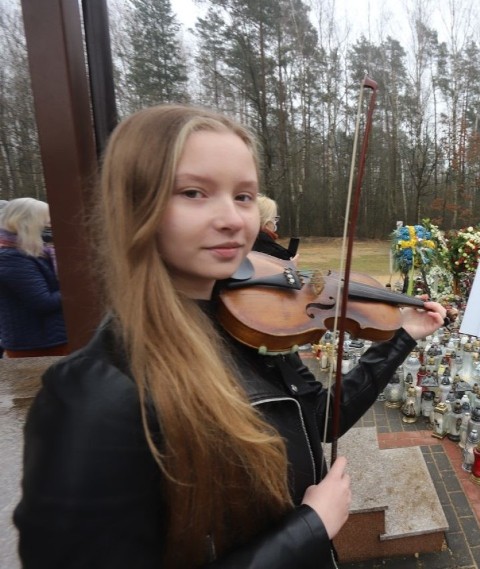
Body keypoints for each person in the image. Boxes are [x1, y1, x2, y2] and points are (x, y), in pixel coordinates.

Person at [14, 105, 446, 568]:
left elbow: (319, 421)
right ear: (136, 204)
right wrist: (308, 528)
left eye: (244, 196)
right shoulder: (95, 394)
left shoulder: (251, 321)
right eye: (194, 192)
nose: (232, 220)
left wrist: (401, 337)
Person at [0, 197, 68, 358]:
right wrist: (77, 287)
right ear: (28, 223)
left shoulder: (37, 251)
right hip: (36, 345)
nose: (50, 226)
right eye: (47, 221)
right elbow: (43, 301)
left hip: (52, 338)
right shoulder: (11, 258)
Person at [252, 195, 297, 261]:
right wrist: (291, 265)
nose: (275, 222)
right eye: (274, 218)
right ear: (266, 221)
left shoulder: (242, 245)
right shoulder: (276, 252)